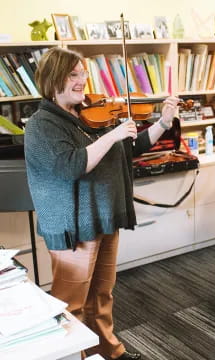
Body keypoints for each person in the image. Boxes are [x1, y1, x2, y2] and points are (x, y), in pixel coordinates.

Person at [25, 47, 179, 360]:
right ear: (53, 79)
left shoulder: (86, 117)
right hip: (74, 226)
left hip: (103, 217)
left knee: (101, 295)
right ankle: (74, 356)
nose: (83, 81)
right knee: (72, 305)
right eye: (73, 75)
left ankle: (109, 351)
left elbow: (126, 150)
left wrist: (163, 122)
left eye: (83, 74)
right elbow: (71, 166)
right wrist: (112, 136)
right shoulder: (42, 125)